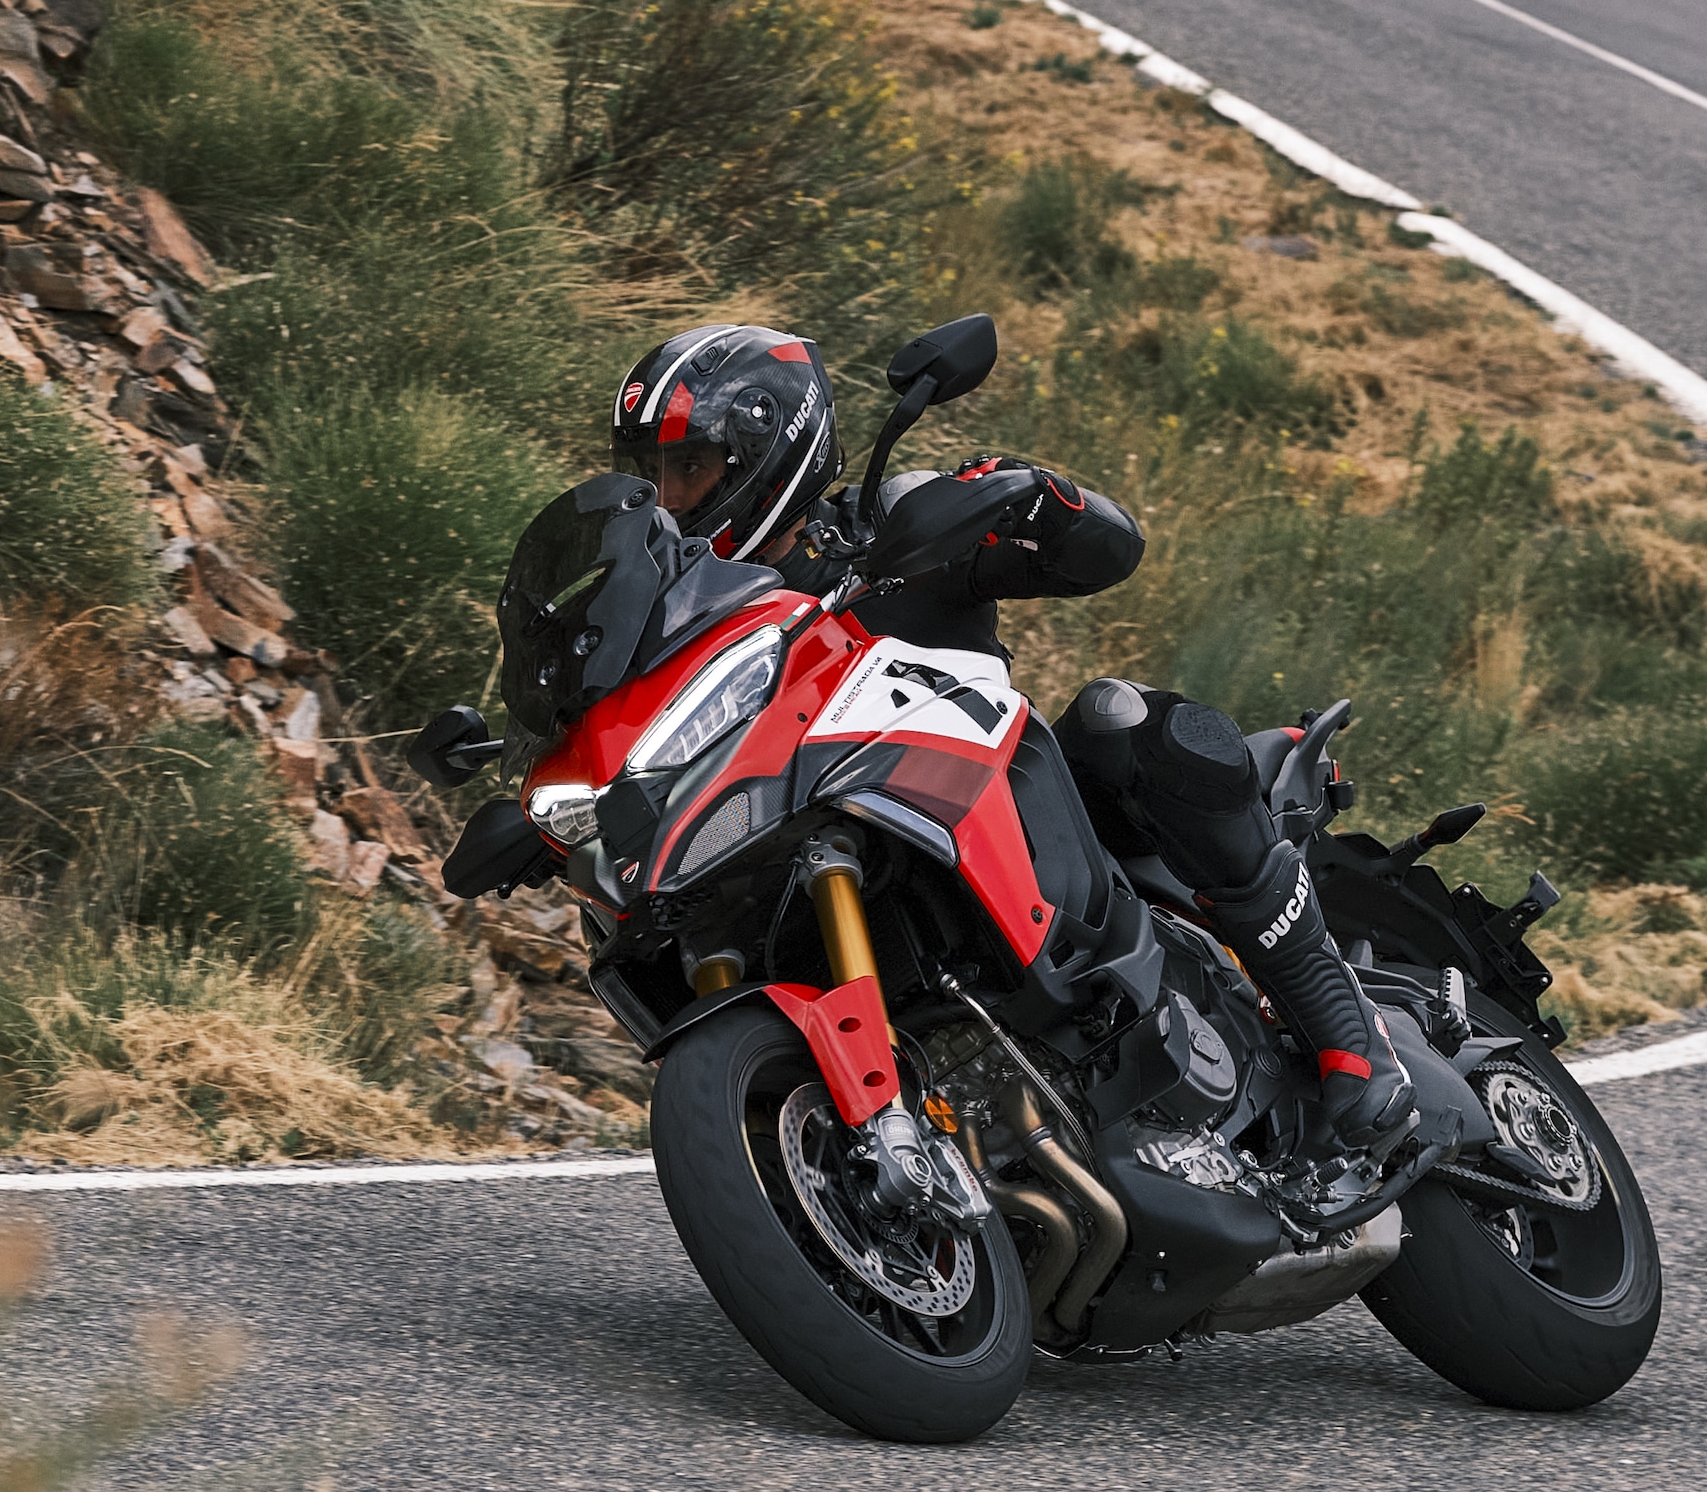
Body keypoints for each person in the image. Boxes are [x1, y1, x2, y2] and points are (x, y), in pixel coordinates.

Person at [598, 323, 1411, 1158]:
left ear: (766, 449)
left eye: (688, 468)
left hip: (1012, 821)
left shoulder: (884, 524)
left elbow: (1113, 550)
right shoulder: (685, 623)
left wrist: (1036, 499)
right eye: (652, 476)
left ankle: (1341, 1020)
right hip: (811, 830)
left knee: (1124, 720)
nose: (668, 497)